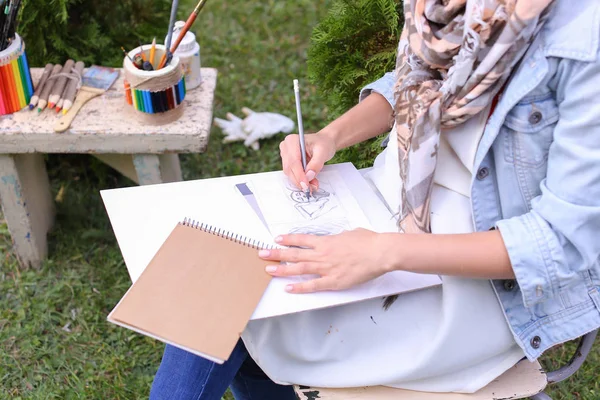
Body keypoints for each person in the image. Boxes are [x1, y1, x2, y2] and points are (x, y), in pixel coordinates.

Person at [149, 0, 600, 398]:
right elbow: (417, 79)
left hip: (478, 282)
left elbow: (559, 245)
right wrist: (330, 135)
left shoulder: (585, 42)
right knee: (216, 282)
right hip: (385, 206)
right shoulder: (449, 6)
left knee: (230, 310)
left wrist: (384, 253)